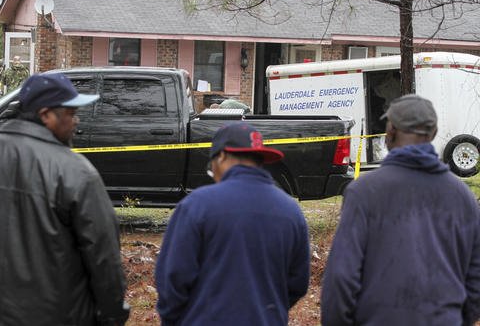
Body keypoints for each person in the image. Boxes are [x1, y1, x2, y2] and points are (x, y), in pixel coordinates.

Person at [0, 73, 129, 326]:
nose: (76, 121)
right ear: (46, 115)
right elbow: (104, 258)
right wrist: (113, 314)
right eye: (70, 113)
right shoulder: (77, 172)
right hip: (53, 315)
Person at [321, 94, 480, 326]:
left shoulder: (364, 192)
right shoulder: (462, 197)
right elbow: (476, 277)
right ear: (433, 134)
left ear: (390, 132)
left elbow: (341, 277)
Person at [155, 122, 310, 325]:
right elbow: (298, 283)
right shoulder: (291, 212)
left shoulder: (196, 205)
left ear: (221, 157)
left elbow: (173, 278)